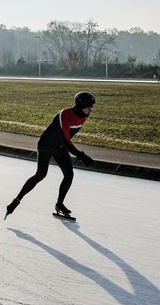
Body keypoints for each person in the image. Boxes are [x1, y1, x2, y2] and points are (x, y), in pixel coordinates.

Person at [5, 91, 96, 221]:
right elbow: (65, 140)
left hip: (59, 147)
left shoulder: (82, 116)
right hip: (46, 145)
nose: (91, 110)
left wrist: (80, 155)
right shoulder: (65, 115)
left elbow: (66, 140)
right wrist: (81, 156)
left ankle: (59, 204)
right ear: (81, 106)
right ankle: (16, 200)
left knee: (69, 174)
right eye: (89, 107)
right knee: (41, 174)